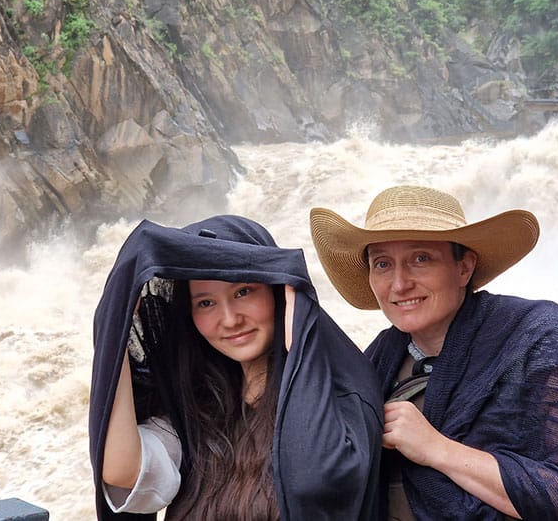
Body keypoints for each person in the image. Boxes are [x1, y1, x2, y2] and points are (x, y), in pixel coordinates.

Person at [309, 185, 558, 520]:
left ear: (464, 267)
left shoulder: (539, 339)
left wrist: (435, 448)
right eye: (382, 264)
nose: (399, 284)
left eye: (420, 259)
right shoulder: (380, 359)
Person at [89, 215, 383, 520]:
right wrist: (116, 333)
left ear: (278, 290)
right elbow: (123, 471)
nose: (229, 319)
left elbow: (314, 482)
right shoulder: (201, 408)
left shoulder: (343, 395)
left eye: (243, 292)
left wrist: (300, 335)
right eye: (206, 303)